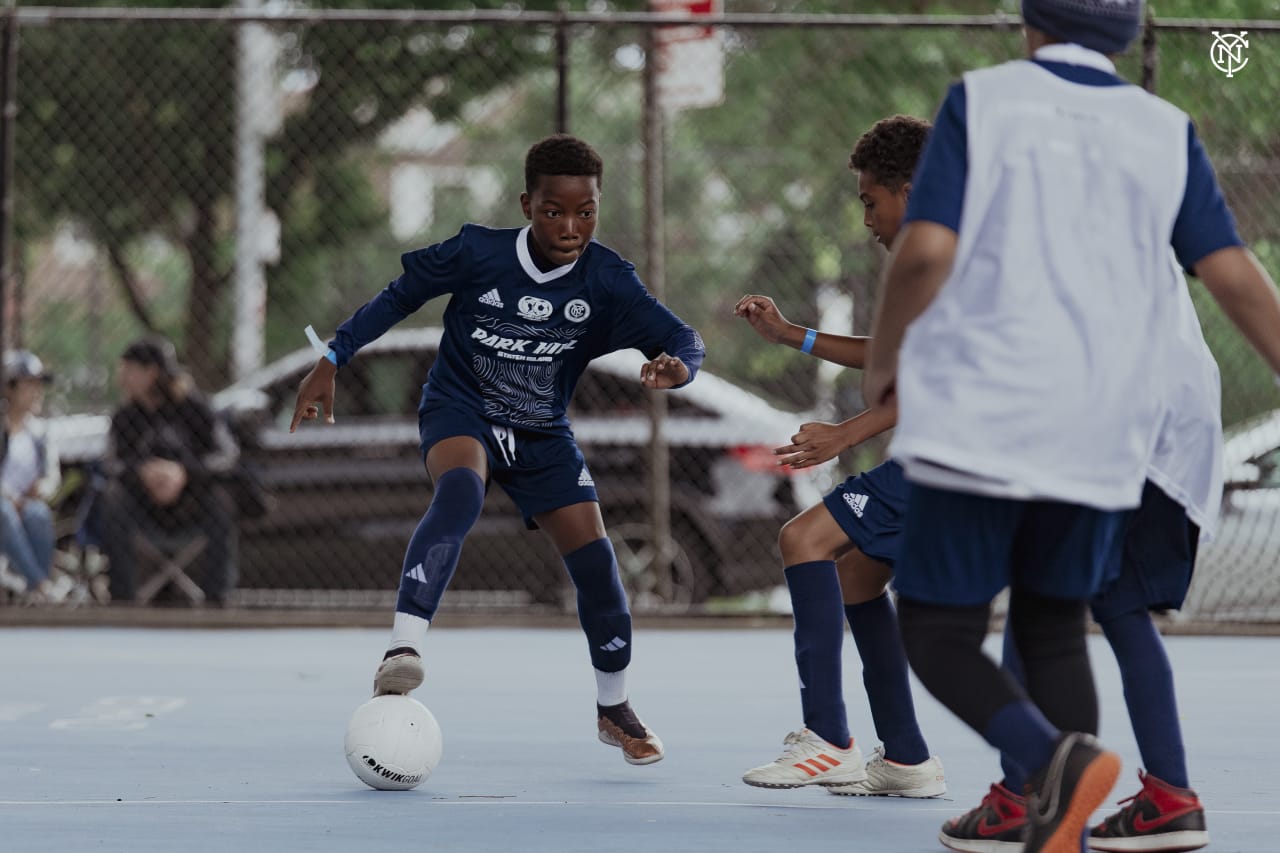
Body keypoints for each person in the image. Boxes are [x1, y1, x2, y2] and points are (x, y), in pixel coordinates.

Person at [861, 1, 1280, 851]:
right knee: (1052, 621)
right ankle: (1060, 821)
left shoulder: (985, 101)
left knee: (937, 627)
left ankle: (1046, 761)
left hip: (996, 407)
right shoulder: (1165, 128)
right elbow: (1232, 271)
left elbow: (927, 250)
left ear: (1030, 19)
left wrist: (884, 364)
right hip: (1109, 424)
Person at [290, 134, 705, 766]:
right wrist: (332, 356)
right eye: (552, 211)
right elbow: (399, 295)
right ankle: (403, 648)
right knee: (460, 492)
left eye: (585, 211)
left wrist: (678, 368)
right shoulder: (478, 253)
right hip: (462, 410)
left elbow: (680, 336)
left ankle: (613, 708)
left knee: (599, 569)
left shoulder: (608, 280)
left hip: (541, 433)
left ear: (598, 206)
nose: (569, 226)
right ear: (526, 204)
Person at [941, 254, 1217, 853]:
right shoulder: (1125, 184)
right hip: (1175, 421)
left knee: (1037, 590)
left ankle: (1020, 799)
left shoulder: (1040, 200)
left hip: (1119, 417)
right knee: (1119, 604)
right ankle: (1170, 798)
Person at [733, 115, 944, 797]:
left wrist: (842, 434)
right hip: (946, 457)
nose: (865, 219)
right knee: (856, 580)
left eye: (869, 201)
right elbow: (891, 354)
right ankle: (907, 758)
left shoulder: (943, 262)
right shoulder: (937, 255)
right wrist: (789, 334)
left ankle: (826, 738)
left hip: (947, 459)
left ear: (908, 192)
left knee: (803, 538)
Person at [100, 336, 240, 606]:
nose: (122, 379)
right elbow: (110, 463)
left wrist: (183, 473)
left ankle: (217, 596)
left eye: (128, 371)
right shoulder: (124, 417)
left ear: (150, 372)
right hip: (143, 507)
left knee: (221, 497)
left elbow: (226, 456)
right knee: (112, 497)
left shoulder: (196, 409)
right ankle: (122, 597)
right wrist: (144, 473)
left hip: (190, 505)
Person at [0, 350, 64, 602]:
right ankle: (40, 586)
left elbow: (51, 477)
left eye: (38, 386)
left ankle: (31, 591)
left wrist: (41, 489)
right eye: (28, 386)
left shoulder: (39, 433)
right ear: (9, 388)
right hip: (4, 504)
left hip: (27, 504)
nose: (36, 392)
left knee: (37, 514)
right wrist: (10, 498)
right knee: (3, 512)